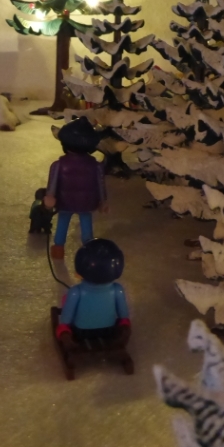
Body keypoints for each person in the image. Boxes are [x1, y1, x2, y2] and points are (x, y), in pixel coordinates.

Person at [44, 118, 106, 259]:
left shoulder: (58, 165)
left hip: (65, 201)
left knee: (63, 222)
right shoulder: (95, 165)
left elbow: (52, 183)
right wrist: (103, 201)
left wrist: (50, 196)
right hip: (86, 202)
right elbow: (101, 184)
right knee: (86, 224)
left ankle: (58, 249)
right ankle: (88, 250)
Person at [55, 238, 130, 343]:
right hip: (108, 329)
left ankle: (65, 333)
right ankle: (121, 329)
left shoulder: (76, 292)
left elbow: (66, 318)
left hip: (81, 332)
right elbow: (124, 314)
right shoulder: (117, 290)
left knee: (66, 301)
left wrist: (64, 324)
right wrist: (124, 322)